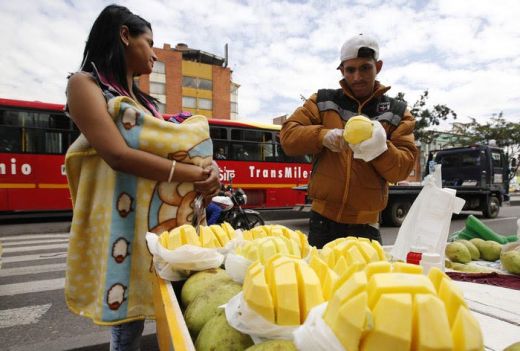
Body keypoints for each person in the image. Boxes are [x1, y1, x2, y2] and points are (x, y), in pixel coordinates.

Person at [64, 5, 220, 350]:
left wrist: (210, 171)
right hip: (122, 228)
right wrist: (195, 173)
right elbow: (117, 155)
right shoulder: (84, 85)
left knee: (177, 311)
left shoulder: (146, 103)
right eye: (148, 43)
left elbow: (170, 149)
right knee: (128, 323)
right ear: (124, 35)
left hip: (156, 227)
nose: (153, 54)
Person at [280, 33, 418, 248]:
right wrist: (323, 135)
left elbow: (400, 170)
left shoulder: (397, 112)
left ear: (378, 67)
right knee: (319, 281)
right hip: (322, 221)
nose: (357, 77)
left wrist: (381, 149)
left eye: (365, 68)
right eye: (350, 70)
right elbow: (288, 137)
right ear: (342, 70)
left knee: (365, 281)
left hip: (366, 225)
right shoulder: (323, 101)